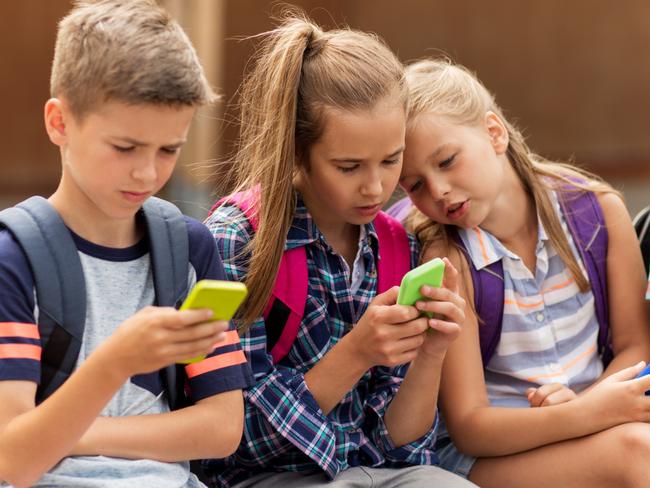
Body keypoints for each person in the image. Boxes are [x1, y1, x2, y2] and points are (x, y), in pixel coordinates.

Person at [204, 13, 474, 488]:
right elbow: (234, 440)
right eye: (348, 166)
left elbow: (403, 448)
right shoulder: (237, 242)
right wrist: (357, 353)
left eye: (391, 160)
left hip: (379, 473)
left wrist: (431, 354)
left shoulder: (397, 246)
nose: (376, 187)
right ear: (295, 153)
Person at [0, 1, 253, 486]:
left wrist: (80, 433)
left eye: (168, 150)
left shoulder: (190, 249)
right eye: (124, 147)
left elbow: (222, 428)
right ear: (59, 123)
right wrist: (116, 362)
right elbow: (15, 458)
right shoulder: (13, 258)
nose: (147, 172)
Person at [397, 57, 650, 487]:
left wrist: (589, 405)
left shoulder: (599, 212)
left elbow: (635, 344)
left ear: (493, 133)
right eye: (414, 184)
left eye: (447, 161)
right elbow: (470, 426)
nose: (437, 190)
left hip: (595, 419)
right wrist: (586, 415)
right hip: (492, 456)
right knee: (637, 452)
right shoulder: (448, 261)